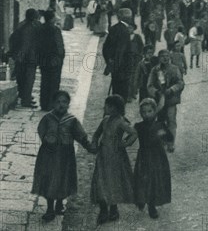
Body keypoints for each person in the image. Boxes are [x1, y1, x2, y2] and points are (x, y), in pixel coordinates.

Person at [32, 91, 94, 222]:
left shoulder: (72, 120)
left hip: (66, 155)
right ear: (53, 103)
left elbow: (80, 135)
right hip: (49, 154)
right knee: (50, 179)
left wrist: (89, 146)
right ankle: (50, 209)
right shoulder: (48, 118)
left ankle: (59, 204)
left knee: (63, 178)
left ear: (68, 104)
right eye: (58, 102)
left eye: (64, 102)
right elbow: (41, 130)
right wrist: (47, 139)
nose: (61, 105)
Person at [90, 95, 137, 225]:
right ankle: (103, 210)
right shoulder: (105, 120)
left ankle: (113, 209)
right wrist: (94, 142)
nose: (105, 108)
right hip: (103, 156)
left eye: (109, 106)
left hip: (116, 158)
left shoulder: (121, 122)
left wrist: (125, 143)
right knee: (100, 182)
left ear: (116, 108)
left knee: (113, 182)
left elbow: (133, 133)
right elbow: (97, 133)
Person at [134, 98, 172, 219]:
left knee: (155, 180)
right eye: (144, 112)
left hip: (157, 157)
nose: (146, 114)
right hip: (144, 157)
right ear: (140, 113)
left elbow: (169, 137)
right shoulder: (138, 126)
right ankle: (141, 199)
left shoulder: (160, 125)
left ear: (155, 111)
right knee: (142, 180)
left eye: (149, 111)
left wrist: (166, 138)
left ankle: (151, 205)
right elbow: (130, 136)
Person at [147, 49, 184, 153]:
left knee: (171, 121)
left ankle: (171, 143)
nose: (165, 58)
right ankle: (162, 141)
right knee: (160, 122)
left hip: (171, 100)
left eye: (167, 56)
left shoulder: (174, 69)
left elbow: (180, 83)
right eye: (162, 56)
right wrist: (156, 92)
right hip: (159, 101)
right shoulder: (155, 70)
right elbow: (149, 85)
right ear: (159, 58)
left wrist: (172, 89)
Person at [9, 8, 41, 108]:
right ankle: (26, 100)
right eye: (36, 16)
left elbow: (12, 38)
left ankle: (24, 96)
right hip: (28, 58)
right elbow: (27, 45)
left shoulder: (21, 24)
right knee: (29, 79)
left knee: (21, 79)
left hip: (20, 57)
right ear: (33, 17)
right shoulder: (31, 27)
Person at [102, 8, 133, 101]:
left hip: (116, 68)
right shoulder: (124, 31)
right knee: (122, 94)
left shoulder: (114, 28)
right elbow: (120, 51)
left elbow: (105, 48)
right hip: (122, 69)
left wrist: (109, 62)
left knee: (116, 91)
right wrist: (117, 67)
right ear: (127, 18)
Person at [38, 10, 65, 111]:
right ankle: (51, 104)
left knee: (44, 81)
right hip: (54, 60)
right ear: (52, 18)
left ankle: (44, 104)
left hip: (43, 59)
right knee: (53, 83)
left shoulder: (40, 28)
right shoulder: (55, 30)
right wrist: (61, 57)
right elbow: (59, 46)